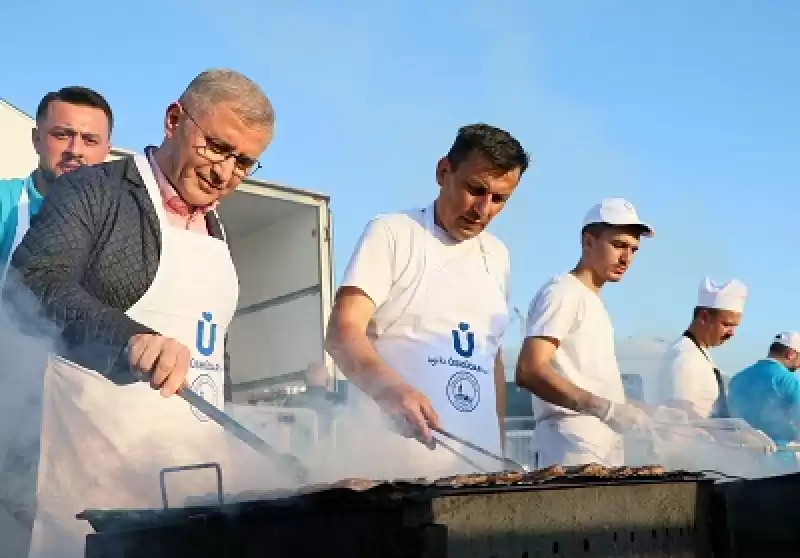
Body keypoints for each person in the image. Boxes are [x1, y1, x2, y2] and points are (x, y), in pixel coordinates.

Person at [3, 68, 275, 558]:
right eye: (216, 147)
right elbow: (36, 278)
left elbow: (212, 348)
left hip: (195, 479)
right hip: (94, 471)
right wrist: (128, 338)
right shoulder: (94, 190)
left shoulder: (216, 229)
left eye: (243, 163)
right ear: (174, 120)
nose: (223, 172)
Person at [325, 123, 529, 477]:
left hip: (479, 475)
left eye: (499, 199)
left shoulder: (498, 257)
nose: (483, 209)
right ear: (443, 171)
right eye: (475, 189)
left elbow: (491, 357)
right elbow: (342, 332)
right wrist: (392, 390)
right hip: (398, 477)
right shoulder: (394, 232)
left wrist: (497, 451)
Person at [515, 198, 654, 468]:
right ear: (588, 241)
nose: (626, 258)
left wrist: (650, 412)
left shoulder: (594, 302)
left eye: (634, 249)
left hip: (600, 446)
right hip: (569, 447)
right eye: (618, 245)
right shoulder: (563, 292)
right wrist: (605, 408)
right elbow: (529, 369)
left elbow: (590, 381)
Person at [0, 86, 113, 282]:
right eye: (62, 135)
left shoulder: (118, 219)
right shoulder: (5, 202)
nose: (75, 150)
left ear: (106, 151)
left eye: (90, 140)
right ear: (37, 139)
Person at [656, 277, 747, 419]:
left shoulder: (699, 352)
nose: (732, 333)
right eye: (727, 325)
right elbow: (679, 412)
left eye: (735, 326)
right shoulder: (685, 355)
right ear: (704, 316)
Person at [728, 332, 800, 445]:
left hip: (741, 452)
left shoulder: (737, 378)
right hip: (780, 455)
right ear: (791, 354)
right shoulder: (790, 381)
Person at [283, 361, 345, 437]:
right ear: (328, 381)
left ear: (305, 380)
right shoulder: (337, 402)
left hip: (297, 446)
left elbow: (281, 426)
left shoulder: (291, 401)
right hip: (329, 447)